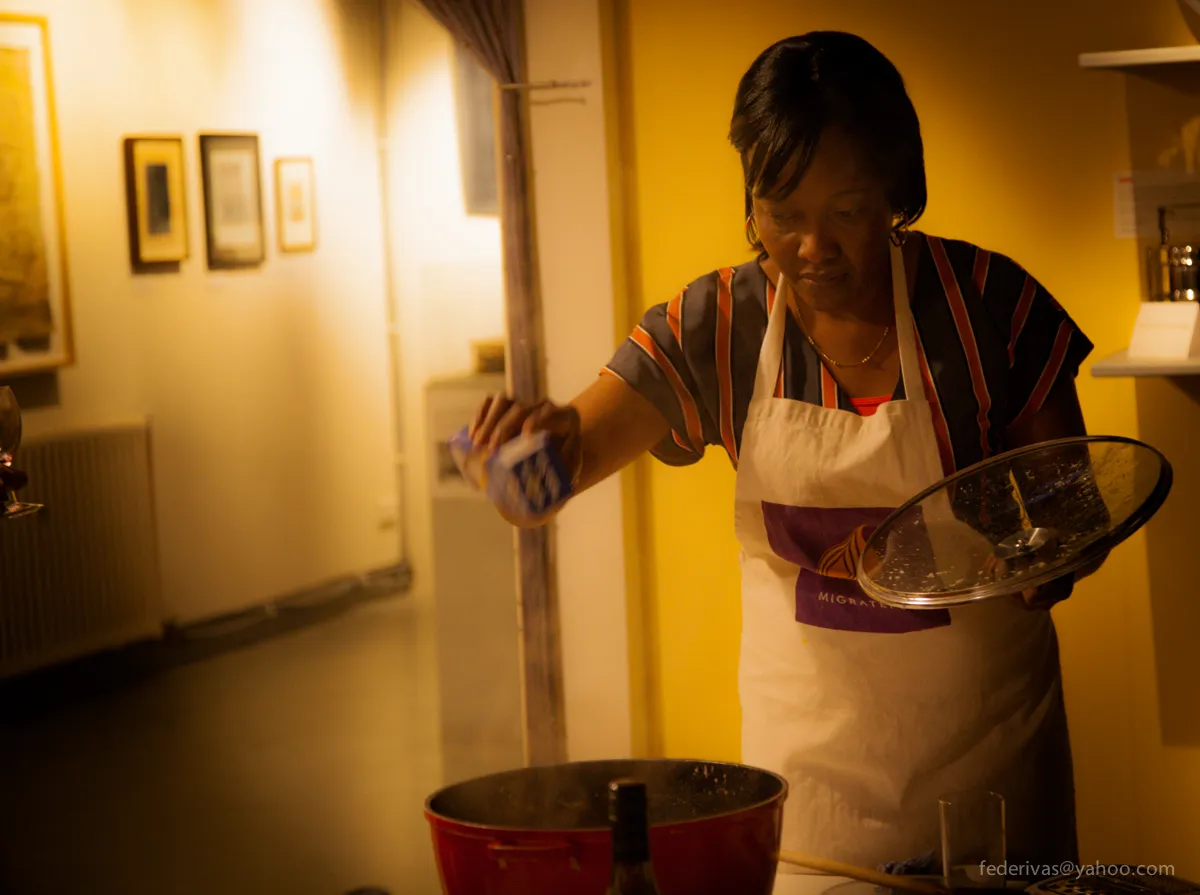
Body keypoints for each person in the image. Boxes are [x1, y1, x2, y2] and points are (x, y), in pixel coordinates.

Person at [468, 31, 1093, 871]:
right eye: (782, 214)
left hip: (993, 778)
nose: (811, 248)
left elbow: (1069, 514)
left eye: (846, 210)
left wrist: (1040, 556)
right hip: (810, 798)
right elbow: (560, 466)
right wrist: (516, 462)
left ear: (898, 191)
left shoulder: (993, 308)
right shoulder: (717, 325)